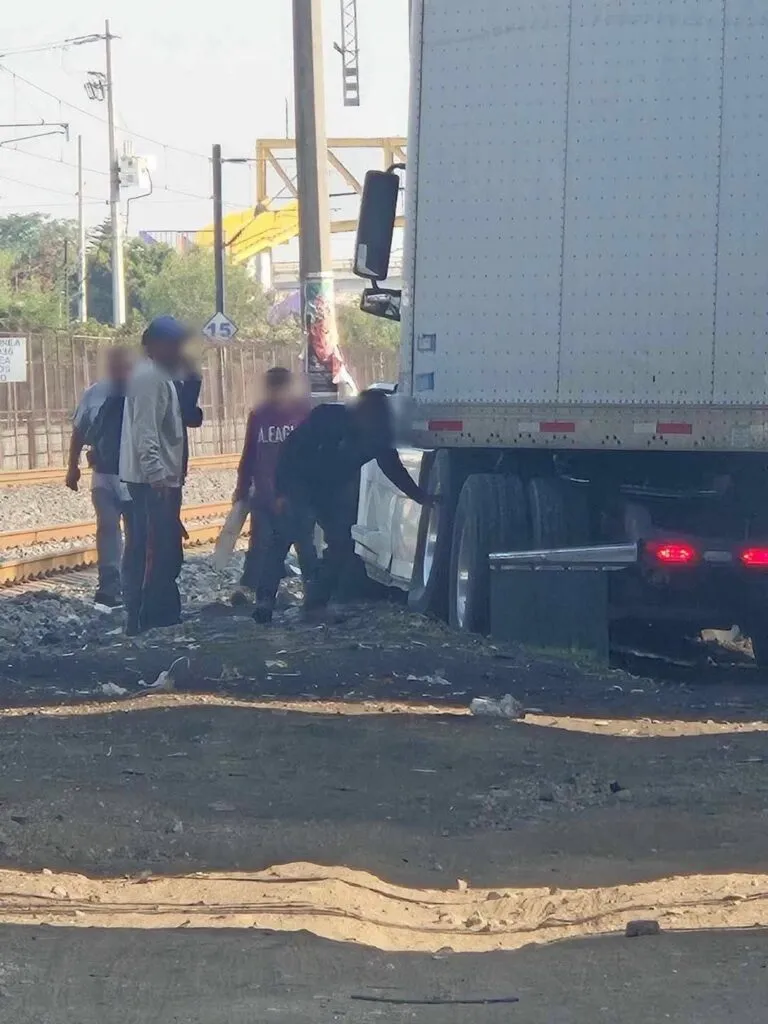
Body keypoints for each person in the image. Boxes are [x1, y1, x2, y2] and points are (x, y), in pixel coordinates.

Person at [273, 388, 433, 621]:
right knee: (284, 536)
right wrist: (281, 492)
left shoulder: (377, 434)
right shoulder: (327, 417)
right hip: (300, 484)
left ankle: (316, 602)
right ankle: (265, 601)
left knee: (341, 545)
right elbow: (288, 450)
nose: (377, 420)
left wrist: (419, 495)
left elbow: (392, 467)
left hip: (331, 492)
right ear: (360, 411)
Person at [119, 316, 189, 636]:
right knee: (153, 550)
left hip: (158, 480)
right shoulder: (149, 378)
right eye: (172, 343)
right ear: (155, 345)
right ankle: (148, 618)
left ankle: (157, 615)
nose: (177, 349)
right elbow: (145, 432)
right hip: (152, 483)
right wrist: (158, 476)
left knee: (162, 548)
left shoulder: (159, 376)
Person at [233, 367, 315, 621]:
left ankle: (311, 597)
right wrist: (242, 485)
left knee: (303, 546)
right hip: (266, 494)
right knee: (265, 546)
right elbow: (250, 453)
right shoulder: (259, 415)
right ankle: (263, 596)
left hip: (296, 494)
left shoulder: (303, 413)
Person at [66, 345, 135, 608]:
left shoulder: (142, 393)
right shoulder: (95, 393)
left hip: (134, 476)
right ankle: (109, 585)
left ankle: (131, 583)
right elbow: (79, 429)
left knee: (135, 532)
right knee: (107, 526)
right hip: (104, 474)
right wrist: (72, 466)